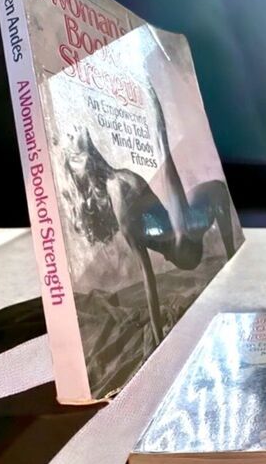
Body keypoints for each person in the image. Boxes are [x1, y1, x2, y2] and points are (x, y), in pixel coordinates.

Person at [62, 87, 236, 348]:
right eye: (70, 136)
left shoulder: (119, 184)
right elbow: (148, 278)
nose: (72, 133)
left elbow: (148, 278)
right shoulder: (125, 204)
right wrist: (157, 337)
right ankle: (232, 258)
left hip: (183, 223)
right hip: (182, 233)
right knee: (196, 196)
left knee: (202, 200)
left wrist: (157, 336)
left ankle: (233, 259)